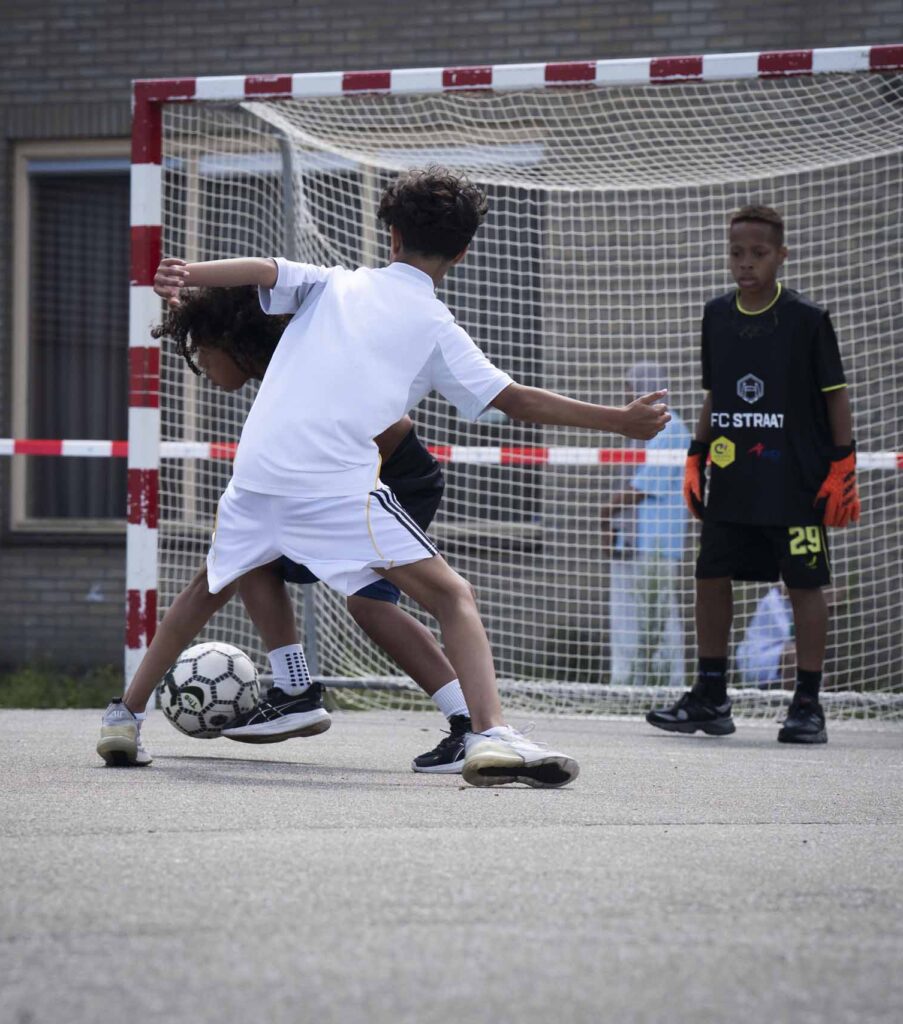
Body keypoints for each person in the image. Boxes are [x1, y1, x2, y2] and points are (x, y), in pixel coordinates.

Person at [99, 166, 670, 786]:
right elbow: (515, 399)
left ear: (391, 236)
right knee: (452, 595)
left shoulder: (331, 283)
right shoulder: (437, 327)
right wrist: (618, 421)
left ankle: (123, 718)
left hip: (257, 477)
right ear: (464, 251)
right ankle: (488, 733)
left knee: (204, 591)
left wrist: (187, 272)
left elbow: (266, 269)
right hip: (336, 487)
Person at [140, 284, 473, 772]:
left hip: (391, 475)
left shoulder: (305, 366)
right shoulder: (276, 361)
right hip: (340, 481)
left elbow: (356, 441)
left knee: (369, 604)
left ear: (233, 342)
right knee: (253, 558)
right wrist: (185, 300)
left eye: (204, 352)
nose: (201, 366)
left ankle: (468, 724)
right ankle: (295, 687)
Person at [646, 204, 860, 745]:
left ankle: (808, 704)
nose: (746, 264)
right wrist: (696, 454)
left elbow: (837, 400)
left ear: (781, 255)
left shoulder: (809, 320)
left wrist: (844, 464)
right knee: (710, 575)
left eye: (758, 254)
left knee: (806, 583)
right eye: (737, 253)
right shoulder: (717, 315)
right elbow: (716, 393)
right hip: (733, 475)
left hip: (797, 480)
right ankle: (711, 696)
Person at [599, 362, 690, 687]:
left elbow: (643, 485)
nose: (626, 393)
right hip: (628, 540)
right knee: (624, 614)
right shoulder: (635, 430)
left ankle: (668, 682)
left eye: (631, 385)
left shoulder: (670, 427)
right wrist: (613, 526)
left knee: (659, 613)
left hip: (656, 542)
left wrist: (605, 512)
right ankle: (624, 681)